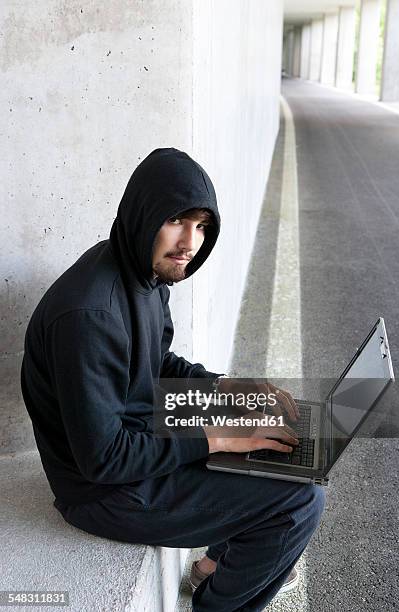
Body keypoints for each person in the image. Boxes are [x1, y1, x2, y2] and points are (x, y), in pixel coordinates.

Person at [21, 148, 325, 611]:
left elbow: (156, 362)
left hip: (141, 429)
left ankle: (215, 566)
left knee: (288, 435)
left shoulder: (142, 274)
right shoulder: (89, 315)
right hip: (105, 491)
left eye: (202, 225)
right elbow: (103, 460)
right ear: (144, 215)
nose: (190, 241)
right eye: (177, 221)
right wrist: (217, 438)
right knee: (299, 501)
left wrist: (226, 391)